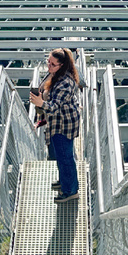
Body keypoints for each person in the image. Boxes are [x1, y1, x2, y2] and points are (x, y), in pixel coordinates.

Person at [30, 48, 81, 203]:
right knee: (61, 156)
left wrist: (40, 103)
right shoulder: (57, 75)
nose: (49, 66)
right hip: (58, 122)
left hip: (64, 126)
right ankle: (65, 181)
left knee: (66, 158)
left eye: (53, 64)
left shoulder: (65, 83)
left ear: (62, 65)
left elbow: (55, 106)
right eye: (48, 62)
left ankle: (70, 191)